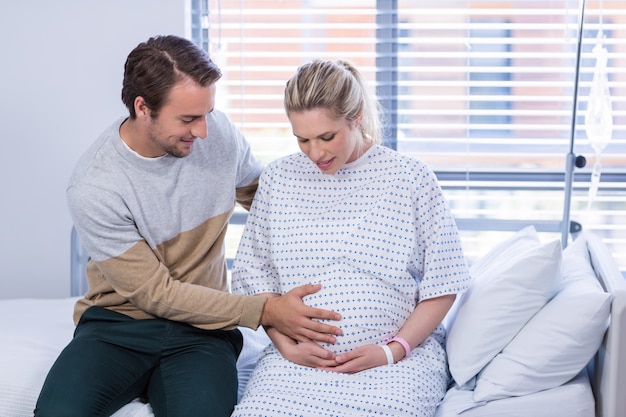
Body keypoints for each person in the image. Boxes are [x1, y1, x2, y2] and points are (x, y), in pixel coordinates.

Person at [34, 36, 342, 417]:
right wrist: (264, 311)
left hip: (204, 330)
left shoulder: (218, 136)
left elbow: (266, 200)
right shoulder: (95, 186)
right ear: (142, 108)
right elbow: (155, 293)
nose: (203, 132)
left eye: (207, 113)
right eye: (188, 119)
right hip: (118, 326)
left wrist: (342, 222)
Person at [230, 59, 471, 417]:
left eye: (327, 137)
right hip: (297, 365)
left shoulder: (410, 178)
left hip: (394, 365)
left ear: (356, 116)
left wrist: (391, 351)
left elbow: (444, 283)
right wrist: (286, 347)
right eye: (302, 139)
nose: (315, 153)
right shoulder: (279, 179)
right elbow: (254, 280)